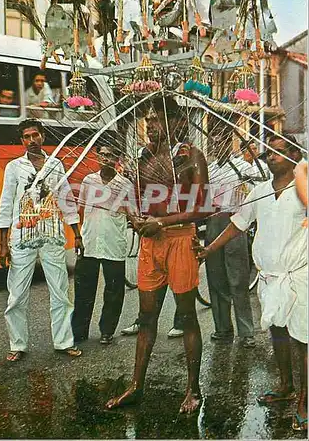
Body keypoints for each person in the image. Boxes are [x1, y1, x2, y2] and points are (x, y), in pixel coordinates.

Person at [193, 134, 307, 432]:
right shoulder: (259, 191)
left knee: (303, 339)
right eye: (268, 153)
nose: (270, 157)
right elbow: (237, 225)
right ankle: (286, 385)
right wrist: (208, 250)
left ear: (295, 154)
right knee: (279, 332)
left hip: (300, 275)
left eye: (278, 153)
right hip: (271, 278)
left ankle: (305, 401)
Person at [106, 96, 209, 414]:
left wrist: (159, 222)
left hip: (179, 242)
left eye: (157, 118)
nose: (149, 125)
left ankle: (193, 389)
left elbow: (201, 208)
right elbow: (137, 200)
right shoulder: (143, 158)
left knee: (188, 316)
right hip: (151, 246)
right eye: (147, 119)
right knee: (146, 317)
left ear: (177, 123)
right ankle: (136, 386)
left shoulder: (192, 157)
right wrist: (134, 218)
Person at [0, 119, 83, 362]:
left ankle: (64, 341)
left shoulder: (55, 165)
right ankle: (17, 344)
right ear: (22, 140)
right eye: (26, 136)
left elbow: (66, 199)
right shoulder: (15, 167)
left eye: (35, 135)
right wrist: (3, 244)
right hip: (22, 237)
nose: (32, 140)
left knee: (61, 292)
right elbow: (5, 205)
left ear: (43, 136)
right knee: (16, 295)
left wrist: (77, 233)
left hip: (52, 236)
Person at [72, 131, 134, 345]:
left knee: (114, 290)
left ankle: (107, 330)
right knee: (84, 290)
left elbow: (132, 213)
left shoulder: (125, 184)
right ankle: (79, 332)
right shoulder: (89, 180)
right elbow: (81, 210)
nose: (105, 159)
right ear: (98, 157)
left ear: (117, 159)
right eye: (102, 155)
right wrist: (78, 236)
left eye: (110, 155)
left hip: (113, 242)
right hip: (90, 241)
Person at [205, 135, 255, 348]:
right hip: (213, 220)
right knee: (216, 277)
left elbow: (257, 187)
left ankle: (246, 332)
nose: (219, 145)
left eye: (223, 141)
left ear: (231, 143)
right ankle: (222, 328)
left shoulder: (243, 166)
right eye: (215, 142)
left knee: (238, 279)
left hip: (236, 221)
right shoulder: (209, 169)